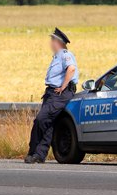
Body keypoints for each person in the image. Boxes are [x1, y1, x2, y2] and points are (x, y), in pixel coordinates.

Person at [25, 28, 79, 163]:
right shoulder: (57, 56)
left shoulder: (65, 54)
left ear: (58, 42)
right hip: (52, 92)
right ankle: (39, 155)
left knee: (41, 119)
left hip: (60, 93)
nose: (51, 43)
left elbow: (71, 68)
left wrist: (63, 86)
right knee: (48, 124)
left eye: (52, 40)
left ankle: (33, 151)